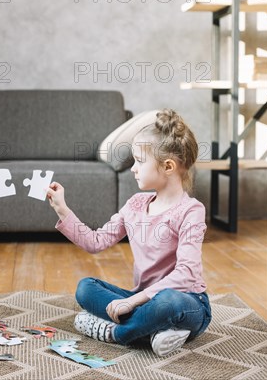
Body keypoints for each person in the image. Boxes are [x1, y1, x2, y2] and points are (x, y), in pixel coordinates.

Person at [46, 109, 211, 357]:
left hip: (188, 303)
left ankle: (116, 333)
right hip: (143, 301)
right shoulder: (135, 204)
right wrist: (63, 209)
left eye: (139, 161)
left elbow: (186, 274)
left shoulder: (191, 211)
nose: (133, 168)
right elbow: (96, 241)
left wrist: (132, 302)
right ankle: (155, 331)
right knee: (85, 288)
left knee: (168, 302)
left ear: (168, 166)